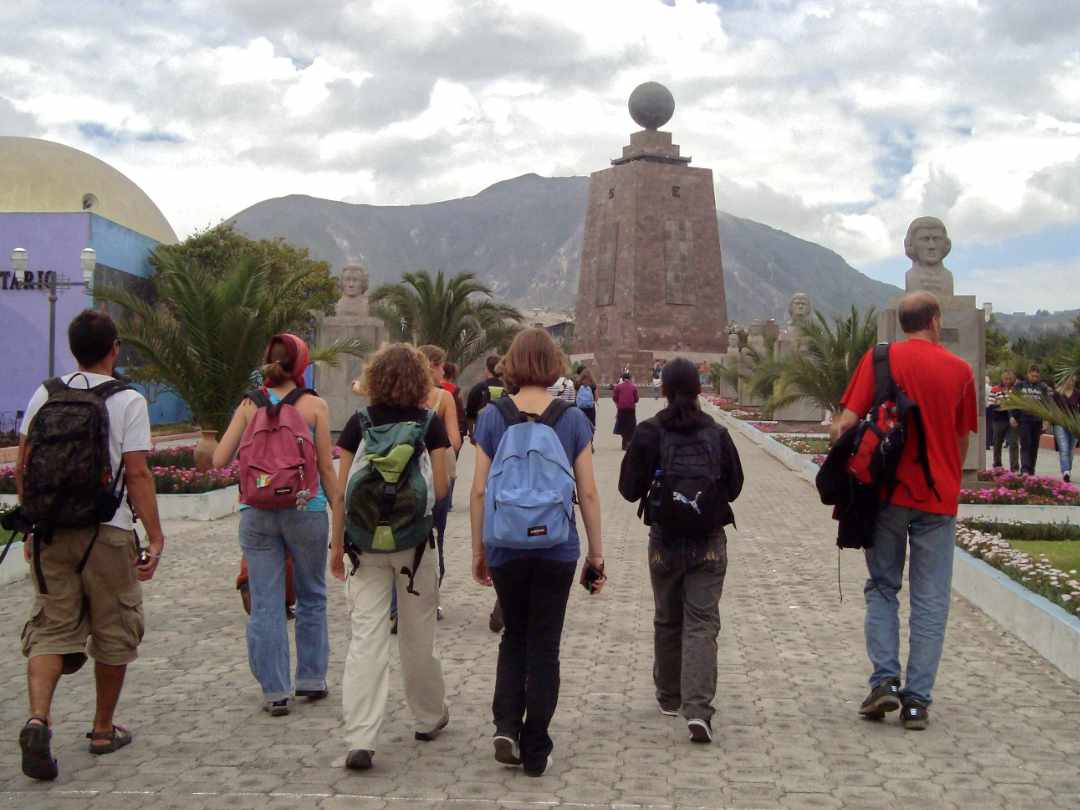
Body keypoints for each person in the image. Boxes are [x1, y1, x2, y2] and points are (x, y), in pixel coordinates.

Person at [15, 309, 165, 780]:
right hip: (107, 530)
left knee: (50, 625)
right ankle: (102, 729)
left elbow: (23, 463)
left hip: (51, 531)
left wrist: (32, 522)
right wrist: (155, 536)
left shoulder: (46, 391)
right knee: (114, 626)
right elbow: (137, 473)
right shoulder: (128, 400)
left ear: (72, 347)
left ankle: (39, 718)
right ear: (114, 348)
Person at [830, 291, 977, 730]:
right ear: (935, 320)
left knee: (882, 587)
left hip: (887, 496)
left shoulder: (881, 359)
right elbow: (961, 436)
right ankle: (917, 701)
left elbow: (845, 422)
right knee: (931, 599)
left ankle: (885, 682)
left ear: (902, 321)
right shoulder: (960, 370)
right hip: (938, 499)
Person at [470, 328, 604, 777]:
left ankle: (506, 725)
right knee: (544, 645)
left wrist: (479, 548)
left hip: (505, 544)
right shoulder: (571, 419)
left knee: (514, 637)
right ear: (553, 365)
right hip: (557, 547)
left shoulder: (491, 417)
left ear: (511, 363)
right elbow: (587, 492)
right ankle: (536, 747)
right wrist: (596, 555)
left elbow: (477, 492)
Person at [331, 343, 452, 771]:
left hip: (363, 545)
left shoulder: (356, 424)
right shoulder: (430, 424)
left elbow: (341, 493)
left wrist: (334, 546)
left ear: (374, 379)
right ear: (422, 381)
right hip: (415, 546)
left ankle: (361, 737)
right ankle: (427, 717)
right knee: (418, 636)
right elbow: (438, 490)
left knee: (367, 637)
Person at [618, 358, 743, 744]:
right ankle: (699, 709)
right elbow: (735, 486)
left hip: (664, 541)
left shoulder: (648, 433)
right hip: (708, 541)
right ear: (700, 390)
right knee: (702, 624)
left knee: (667, 618)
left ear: (664, 390)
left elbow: (627, 489)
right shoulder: (717, 433)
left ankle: (670, 696)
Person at [211, 334, 338, 716]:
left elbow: (220, 458)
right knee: (312, 594)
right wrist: (341, 515)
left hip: (257, 513)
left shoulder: (249, 405)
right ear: (301, 364)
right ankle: (312, 679)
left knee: (266, 602)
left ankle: (275, 691)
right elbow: (326, 468)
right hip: (306, 509)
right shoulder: (315, 405)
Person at [418, 345, 462, 621]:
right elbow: (455, 441)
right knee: (436, 537)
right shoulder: (443, 397)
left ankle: (398, 602)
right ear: (430, 366)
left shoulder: (400, 394)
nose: (443, 371)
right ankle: (431, 600)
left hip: (401, 478)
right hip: (438, 475)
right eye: (440, 365)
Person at [1011, 365, 1052, 476]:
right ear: (1028, 374)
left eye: (1037, 376)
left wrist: (1046, 420)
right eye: (1033, 375)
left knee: (1034, 446)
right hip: (1024, 420)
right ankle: (1024, 469)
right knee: (1025, 444)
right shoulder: (1019, 386)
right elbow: (1012, 401)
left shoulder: (1042, 387)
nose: (1034, 378)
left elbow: (1047, 404)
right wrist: (1012, 416)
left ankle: (1031, 470)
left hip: (1037, 421)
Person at [465, 355, 507, 441]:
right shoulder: (507, 388)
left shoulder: (478, 388)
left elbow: (470, 415)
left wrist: (472, 434)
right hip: (504, 434)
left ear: (487, 369)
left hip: (482, 434)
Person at [988, 369, 1019, 471]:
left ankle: (1014, 467)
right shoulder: (995, 389)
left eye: (1010, 379)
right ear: (1002, 378)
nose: (1007, 381)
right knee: (997, 442)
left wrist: (1002, 402)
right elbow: (991, 404)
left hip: (1012, 420)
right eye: (1006, 378)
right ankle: (997, 465)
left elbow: (1018, 405)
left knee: (1013, 443)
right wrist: (1002, 404)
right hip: (998, 420)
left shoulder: (1016, 390)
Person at [1053, 375, 1079, 483]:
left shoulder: (1078, 394)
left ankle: (1067, 469)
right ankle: (1066, 471)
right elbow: (1051, 408)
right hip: (1060, 424)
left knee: (1070, 450)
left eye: (1072, 379)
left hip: (1074, 425)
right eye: (1068, 379)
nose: (1070, 381)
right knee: (1063, 448)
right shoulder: (1058, 393)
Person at [612, 371, 639, 451]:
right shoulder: (633, 387)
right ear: (630, 378)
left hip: (621, 409)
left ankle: (624, 443)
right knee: (631, 425)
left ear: (622, 379)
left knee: (622, 425)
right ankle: (629, 442)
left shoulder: (618, 387)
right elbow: (636, 399)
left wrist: (619, 402)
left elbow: (614, 398)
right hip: (631, 409)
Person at [575, 368, 598, 432]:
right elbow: (596, 398)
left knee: (580, 426)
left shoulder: (577, 384)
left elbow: (575, 396)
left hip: (580, 409)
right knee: (591, 426)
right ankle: (590, 440)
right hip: (590, 409)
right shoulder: (593, 384)